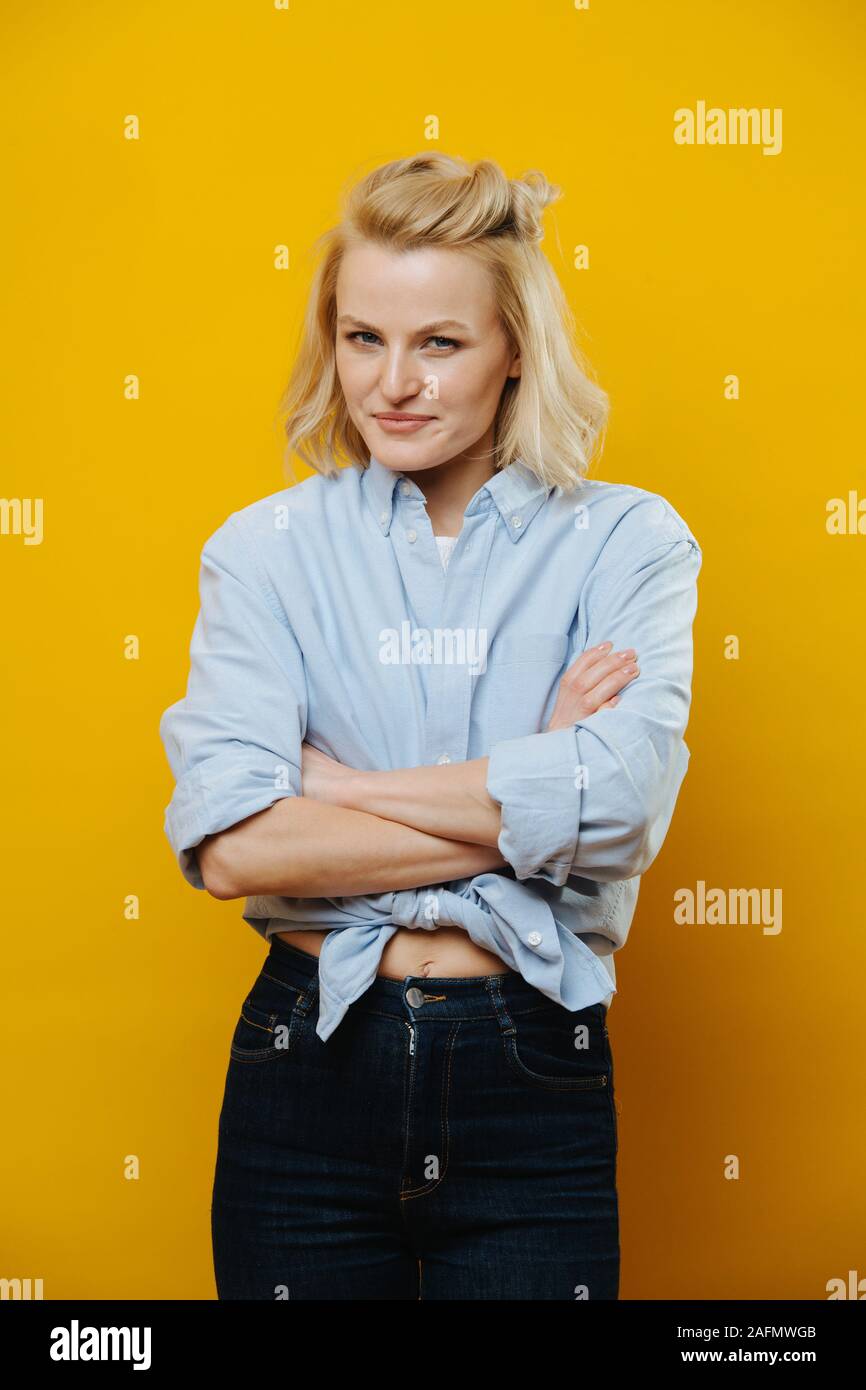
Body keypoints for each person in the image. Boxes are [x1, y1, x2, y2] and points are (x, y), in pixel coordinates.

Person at [159, 151, 702, 1300]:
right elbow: (234, 848)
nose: (392, 383)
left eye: (438, 343)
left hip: (527, 1064)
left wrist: (337, 793)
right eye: (364, 338)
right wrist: (533, 794)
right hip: (304, 1064)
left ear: (514, 348)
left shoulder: (627, 542)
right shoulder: (261, 552)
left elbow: (616, 813)